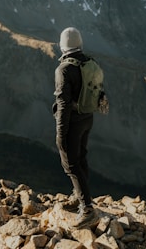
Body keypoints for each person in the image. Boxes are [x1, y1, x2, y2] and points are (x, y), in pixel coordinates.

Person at [53, 27, 99, 228]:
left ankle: (87, 208)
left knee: (70, 164)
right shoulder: (89, 62)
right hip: (87, 119)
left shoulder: (64, 69)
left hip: (72, 122)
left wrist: (60, 133)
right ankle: (79, 195)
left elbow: (63, 104)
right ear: (79, 43)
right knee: (81, 157)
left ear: (62, 46)